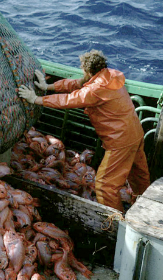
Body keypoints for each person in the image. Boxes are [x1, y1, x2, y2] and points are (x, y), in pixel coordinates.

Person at [18, 50, 150, 212]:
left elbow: (69, 100)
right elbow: (77, 84)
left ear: (87, 71)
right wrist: (48, 86)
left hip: (120, 142)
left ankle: (117, 221)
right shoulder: (109, 76)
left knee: (104, 186)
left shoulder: (95, 89)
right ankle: (145, 207)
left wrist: (36, 99)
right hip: (136, 134)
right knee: (139, 175)